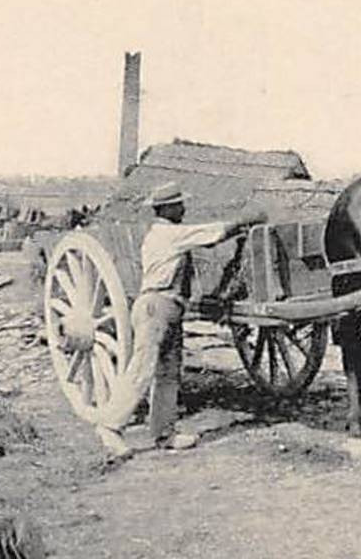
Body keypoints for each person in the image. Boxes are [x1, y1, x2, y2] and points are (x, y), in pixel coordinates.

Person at [92, 183, 264, 458]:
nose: (184, 208)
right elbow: (210, 234)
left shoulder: (167, 233)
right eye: (179, 204)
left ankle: (164, 433)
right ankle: (110, 427)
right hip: (155, 307)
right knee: (142, 370)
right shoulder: (167, 234)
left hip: (170, 307)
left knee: (168, 373)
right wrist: (243, 221)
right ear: (167, 208)